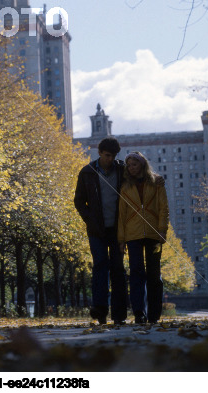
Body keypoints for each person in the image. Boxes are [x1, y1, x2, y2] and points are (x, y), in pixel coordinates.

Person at [74, 137, 127, 325]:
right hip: (96, 230)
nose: (110, 159)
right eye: (107, 155)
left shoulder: (122, 170)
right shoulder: (87, 172)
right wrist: (90, 220)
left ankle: (119, 315)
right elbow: (79, 201)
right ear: (99, 153)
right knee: (100, 268)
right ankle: (101, 312)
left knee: (118, 270)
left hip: (118, 230)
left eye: (113, 156)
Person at [117, 151, 169, 325]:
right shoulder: (125, 187)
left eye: (135, 164)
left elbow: (163, 208)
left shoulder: (156, 183)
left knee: (154, 275)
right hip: (133, 236)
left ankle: (154, 315)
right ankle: (139, 312)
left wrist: (163, 230)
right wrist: (121, 240)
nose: (131, 168)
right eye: (129, 165)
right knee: (136, 274)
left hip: (154, 234)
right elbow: (122, 215)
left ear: (142, 164)